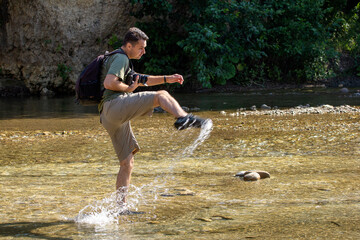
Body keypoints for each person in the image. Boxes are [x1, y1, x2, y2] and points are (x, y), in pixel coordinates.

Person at [98, 27, 209, 205]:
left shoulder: (120, 60)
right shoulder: (120, 58)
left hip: (108, 116)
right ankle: (183, 118)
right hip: (114, 106)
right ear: (128, 46)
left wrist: (168, 77)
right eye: (141, 48)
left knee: (127, 163)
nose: (144, 51)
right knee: (161, 96)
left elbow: (143, 80)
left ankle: (120, 208)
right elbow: (109, 82)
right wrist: (128, 89)